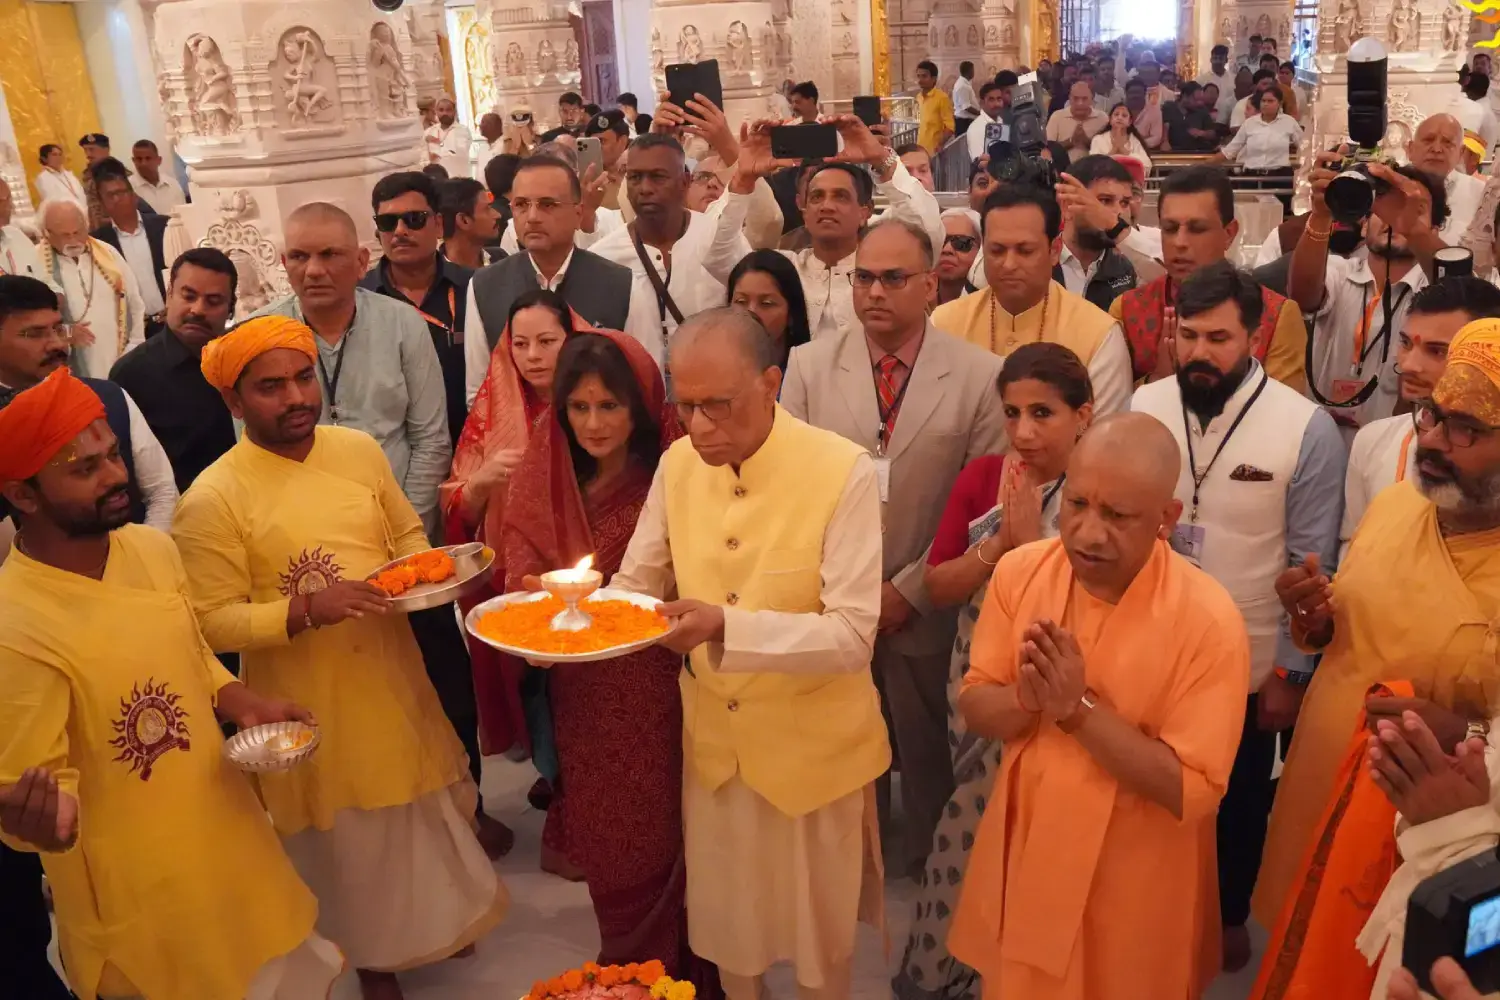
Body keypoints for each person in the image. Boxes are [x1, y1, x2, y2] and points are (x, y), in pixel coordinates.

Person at [172, 317, 508, 1000]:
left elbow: (408, 537)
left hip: (388, 667)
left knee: (421, 807)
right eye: (270, 387)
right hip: (306, 692)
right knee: (349, 838)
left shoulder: (356, 450)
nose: (295, 397)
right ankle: (372, 958)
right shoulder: (212, 498)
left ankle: (432, 925)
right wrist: (302, 611)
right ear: (234, 403)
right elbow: (206, 622)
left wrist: (428, 575)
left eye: (302, 378)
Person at [0, 368, 345, 1000]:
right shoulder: (15, 625)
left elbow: (192, 656)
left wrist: (247, 703)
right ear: (24, 496)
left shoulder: (149, 551)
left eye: (113, 457)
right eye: (85, 469)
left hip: (224, 823)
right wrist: (42, 826)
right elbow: (38, 795)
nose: (114, 477)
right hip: (139, 881)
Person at [610, 306, 891, 1000]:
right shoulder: (678, 464)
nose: (700, 426)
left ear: (771, 382)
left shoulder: (840, 469)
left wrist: (728, 630)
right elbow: (634, 585)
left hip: (815, 758)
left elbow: (854, 635)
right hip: (718, 755)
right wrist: (568, 617)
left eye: (719, 406)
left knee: (821, 957)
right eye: (687, 407)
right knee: (732, 945)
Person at [948, 410, 1251, 999]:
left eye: (1116, 516)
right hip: (1029, 851)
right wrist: (1028, 699)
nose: (1087, 533)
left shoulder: (1209, 622)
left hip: (1133, 876)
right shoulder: (1021, 572)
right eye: (1078, 504)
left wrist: (1077, 711)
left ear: (1167, 519)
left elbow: (1193, 790)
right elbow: (977, 706)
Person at [1252, 318, 1500, 991]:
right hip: (1316, 788)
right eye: (1431, 416)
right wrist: (1314, 623)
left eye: (1466, 430)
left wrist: (1467, 733)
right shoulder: (1396, 506)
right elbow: (1351, 636)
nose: (1434, 442)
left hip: (1420, 833)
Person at [1130, 260, 1345, 973]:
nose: (1198, 352)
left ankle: (1225, 914)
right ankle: (1156, 906)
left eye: (1218, 338)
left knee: (1240, 799)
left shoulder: (1304, 427)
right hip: (1149, 650)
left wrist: (1292, 670)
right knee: (1148, 790)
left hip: (1249, 662)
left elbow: (1314, 563)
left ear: (1254, 336)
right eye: (1186, 335)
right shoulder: (1144, 407)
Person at [781, 218, 1006, 878]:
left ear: (930, 285)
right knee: (844, 747)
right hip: (834, 600)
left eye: (893, 278)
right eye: (864, 277)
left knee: (929, 745)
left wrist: (907, 590)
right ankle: (857, 860)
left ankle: (935, 871)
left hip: (928, 599)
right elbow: (792, 488)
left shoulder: (977, 375)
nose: (875, 292)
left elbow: (979, 507)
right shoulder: (809, 366)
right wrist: (849, 589)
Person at [893, 342, 1094, 1000]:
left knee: (1037, 830)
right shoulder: (987, 477)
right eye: (1011, 413)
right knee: (972, 815)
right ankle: (939, 973)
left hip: (1065, 676)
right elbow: (938, 583)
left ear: (1084, 416)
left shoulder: (1102, 491)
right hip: (983, 666)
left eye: (1043, 413)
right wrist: (1000, 547)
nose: (1024, 432)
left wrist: (1038, 549)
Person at [501, 328, 705, 973]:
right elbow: (520, 573)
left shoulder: (675, 477)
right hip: (581, 691)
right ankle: (625, 967)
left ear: (640, 406)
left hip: (659, 686)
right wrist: (532, 605)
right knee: (609, 837)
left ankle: (684, 971)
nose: (593, 423)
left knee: (665, 831)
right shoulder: (546, 477)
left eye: (609, 406)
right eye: (579, 407)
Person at [444, 290, 575, 809]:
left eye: (547, 341)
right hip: (515, 572)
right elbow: (457, 502)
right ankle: (551, 770)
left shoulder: (596, 401)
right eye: (520, 343)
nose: (533, 355)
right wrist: (482, 482)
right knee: (535, 685)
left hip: (586, 562)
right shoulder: (491, 412)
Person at [256, 201, 451, 538]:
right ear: (285, 264)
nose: (314, 270)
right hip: (298, 530)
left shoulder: (402, 324)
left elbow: (430, 441)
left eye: (330, 255)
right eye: (300, 257)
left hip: (398, 519)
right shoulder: (260, 335)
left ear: (362, 262)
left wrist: (405, 528)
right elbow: (254, 452)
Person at [726, 119, 941, 342]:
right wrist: (743, 178)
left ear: (864, 211)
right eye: (817, 197)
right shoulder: (784, 268)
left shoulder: (885, 272)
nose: (826, 206)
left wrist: (879, 157)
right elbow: (719, 257)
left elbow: (928, 233)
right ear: (804, 210)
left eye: (841, 196)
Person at [932, 184, 1134, 416]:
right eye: (997, 251)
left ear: (1055, 250)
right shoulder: (944, 324)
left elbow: (1103, 441)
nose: (1009, 264)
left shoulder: (1098, 334)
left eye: (1025, 251)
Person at [1288, 151, 1449, 436]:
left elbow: (1461, 299)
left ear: (1435, 230)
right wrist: (1321, 213)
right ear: (1363, 225)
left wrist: (1412, 230)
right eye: (1383, 208)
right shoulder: (1338, 270)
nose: (1393, 219)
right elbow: (1302, 295)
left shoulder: (1438, 290)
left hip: (1396, 448)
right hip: (1321, 444)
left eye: (1415, 208)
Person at [1341, 277, 1500, 558]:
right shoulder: (1372, 440)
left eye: (1437, 351)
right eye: (1405, 343)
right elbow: (1353, 547)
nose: (1409, 365)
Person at [1112, 165, 1308, 388]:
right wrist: (1158, 382)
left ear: (1229, 234)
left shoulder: (1276, 315)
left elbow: (1286, 415)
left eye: (1197, 229)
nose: (1180, 242)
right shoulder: (1127, 310)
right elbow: (1111, 410)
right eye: (1170, 228)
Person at [466, 155, 632, 402]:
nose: (532, 216)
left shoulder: (623, 284)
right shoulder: (484, 286)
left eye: (548, 204)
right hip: (515, 437)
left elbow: (640, 379)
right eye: (521, 204)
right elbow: (478, 392)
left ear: (578, 213)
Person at [592, 132, 753, 370]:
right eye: (635, 177)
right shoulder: (603, 257)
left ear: (685, 182)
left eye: (658, 177)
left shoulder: (718, 239)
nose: (645, 188)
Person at [109, 247, 240, 492]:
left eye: (213, 301)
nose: (198, 310)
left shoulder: (245, 359)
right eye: (189, 296)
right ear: (169, 296)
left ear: (230, 309)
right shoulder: (132, 374)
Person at [359, 171, 472, 450]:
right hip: (394, 457)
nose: (399, 231)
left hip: (472, 450)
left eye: (414, 220)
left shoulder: (474, 290)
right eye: (387, 222)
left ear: (438, 224)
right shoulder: (360, 300)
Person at [36, 198, 146, 380]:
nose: (73, 240)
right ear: (46, 233)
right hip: (71, 370)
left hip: (123, 357)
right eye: (65, 235)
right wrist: (67, 333)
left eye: (78, 232)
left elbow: (134, 301)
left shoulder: (107, 253)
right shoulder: (35, 264)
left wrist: (135, 345)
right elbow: (33, 326)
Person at [91, 160, 169, 339]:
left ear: (134, 196)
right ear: (102, 204)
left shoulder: (163, 226)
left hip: (170, 320)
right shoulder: (98, 243)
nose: (117, 199)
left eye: (120, 192)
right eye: (110, 196)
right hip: (134, 332)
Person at [1052, 155, 1140, 313]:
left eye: (1125, 202)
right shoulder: (1037, 262)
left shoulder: (1134, 268)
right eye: (1105, 201)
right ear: (1067, 205)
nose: (1118, 213)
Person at [1217, 88, 1302, 211]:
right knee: (1249, 216)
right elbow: (1230, 150)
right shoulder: (1250, 123)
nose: (1266, 104)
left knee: (1277, 216)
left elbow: (1304, 146)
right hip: (1251, 178)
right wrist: (1205, 164)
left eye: (1270, 101)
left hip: (1278, 178)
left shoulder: (1289, 122)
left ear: (1279, 103)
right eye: (1263, 101)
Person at [727, 248, 811, 372]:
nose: (751, 312)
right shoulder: (712, 367)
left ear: (791, 315)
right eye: (741, 301)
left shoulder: (810, 374)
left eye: (766, 303)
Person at [1410, 114, 1488, 245]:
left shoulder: (1482, 195)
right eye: (1428, 140)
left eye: (1447, 143)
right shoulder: (1389, 187)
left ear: (1461, 153)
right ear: (1410, 149)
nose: (1436, 149)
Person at [439, 176, 503, 269]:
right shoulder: (432, 276)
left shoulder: (500, 258)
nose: (498, 215)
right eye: (487, 209)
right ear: (464, 220)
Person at [1045, 81, 1109, 161]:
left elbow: (1108, 152)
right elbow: (1046, 151)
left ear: (1092, 99)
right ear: (1069, 99)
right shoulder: (1057, 117)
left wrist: (1087, 142)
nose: (1080, 103)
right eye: (1076, 98)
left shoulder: (1102, 118)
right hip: (1063, 171)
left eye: (1084, 99)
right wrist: (1070, 141)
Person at [1088, 102, 1153, 174]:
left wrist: (1123, 150)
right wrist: (1114, 150)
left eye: (1124, 116)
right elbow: (1093, 164)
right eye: (1116, 115)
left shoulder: (1134, 141)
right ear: (1110, 119)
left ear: (1130, 122)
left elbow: (1147, 164)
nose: (1119, 118)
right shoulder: (1098, 139)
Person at [935, 208, 982, 308]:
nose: (947, 249)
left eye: (961, 243)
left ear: (980, 250)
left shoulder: (991, 306)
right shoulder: (915, 300)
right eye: (940, 241)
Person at [0, 178, 43, 280]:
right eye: (1, 201)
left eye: (9, 199)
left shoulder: (18, 237)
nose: (9, 206)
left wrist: (56, 294)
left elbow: (48, 283)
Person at [129, 138, 187, 213]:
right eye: (139, 159)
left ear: (159, 160)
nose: (144, 163)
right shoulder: (129, 188)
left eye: (148, 158)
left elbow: (183, 213)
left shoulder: (173, 185)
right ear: (134, 161)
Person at [425, 96, 472, 180]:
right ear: (436, 112)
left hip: (459, 180)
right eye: (441, 110)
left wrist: (437, 145)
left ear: (454, 111)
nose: (444, 113)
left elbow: (458, 153)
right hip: (436, 181)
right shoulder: (429, 132)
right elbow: (423, 156)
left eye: (448, 110)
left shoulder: (462, 130)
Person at [1166, 83, 1221, 152]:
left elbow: (1213, 134)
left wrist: (1202, 133)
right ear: (1185, 96)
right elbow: (1163, 127)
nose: (1199, 103)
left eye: (1201, 100)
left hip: (1196, 152)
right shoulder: (1169, 107)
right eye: (1196, 100)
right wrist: (1164, 141)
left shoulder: (1202, 110)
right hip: (1173, 152)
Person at [78, 133, 116, 231]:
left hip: (116, 227)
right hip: (97, 230)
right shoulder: (87, 174)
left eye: (91, 149)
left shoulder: (118, 173)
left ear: (106, 149)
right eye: (85, 150)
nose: (88, 155)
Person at [916, 60, 955, 153]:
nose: (920, 80)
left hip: (934, 151)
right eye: (918, 76)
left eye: (924, 76)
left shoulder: (942, 98)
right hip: (920, 148)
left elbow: (950, 127)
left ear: (934, 79)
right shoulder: (919, 97)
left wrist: (940, 144)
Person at [33, 143, 85, 211]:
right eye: (54, 155)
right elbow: (52, 201)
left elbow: (81, 193)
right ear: (44, 159)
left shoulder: (69, 174)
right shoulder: (43, 178)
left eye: (60, 154)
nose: (58, 157)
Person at [965, 82, 1008, 160]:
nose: (997, 104)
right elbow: (980, 162)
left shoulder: (1001, 120)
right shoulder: (975, 129)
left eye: (999, 99)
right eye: (991, 100)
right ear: (982, 103)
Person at [953, 60, 979, 138]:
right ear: (970, 71)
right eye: (973, 70)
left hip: (966, 121)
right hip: (964, 122)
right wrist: (981, 114)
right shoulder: (962, 86)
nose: (974, 72)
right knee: (965, 146)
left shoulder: (964, 83)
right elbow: (966, 107)